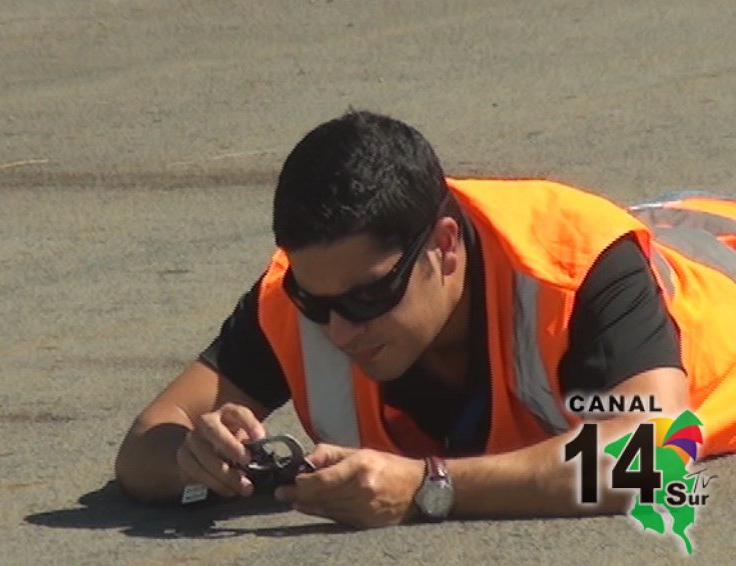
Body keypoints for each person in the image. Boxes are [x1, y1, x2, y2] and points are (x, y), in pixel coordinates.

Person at [115, 110, 736, 528]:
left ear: (443, 245)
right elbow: (147, 442)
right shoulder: (312, 286)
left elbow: (650, 454)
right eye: (316, 304)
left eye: (368, 298)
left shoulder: (578, 264)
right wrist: (193, 458)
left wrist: (429, 487)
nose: (338, 330)